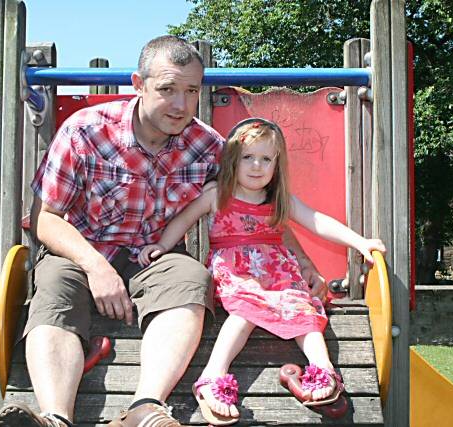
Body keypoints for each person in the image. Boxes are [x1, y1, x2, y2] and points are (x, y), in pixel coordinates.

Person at [0, 35, 323, 427]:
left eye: (190, 91)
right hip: (81, 250)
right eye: (167, 89)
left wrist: (303, 260)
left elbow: (262, 206)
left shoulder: (208, 147)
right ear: (138, 83)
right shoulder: (84, 131)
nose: (181, 105)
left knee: (191, 278)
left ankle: (144, 406)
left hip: (154, 256)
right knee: (53, 287)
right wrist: (96, 266)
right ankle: (55, 417)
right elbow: (45, 217)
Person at [139, 118, 386, 425]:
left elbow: (317, 220)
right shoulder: (219, 196)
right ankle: (213, 374)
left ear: (276, 164)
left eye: (266, 159)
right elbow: (184, 219)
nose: (257, 166)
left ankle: (323, 370)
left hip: (277, 274)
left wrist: (358, 242)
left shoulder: (278, 201)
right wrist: (162, 245)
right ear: (233, 160)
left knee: (304, 310)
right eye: (248, 157)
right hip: (237, 272)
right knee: (245, 309)